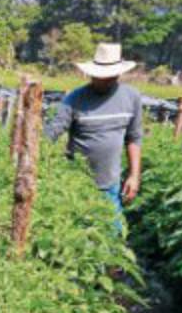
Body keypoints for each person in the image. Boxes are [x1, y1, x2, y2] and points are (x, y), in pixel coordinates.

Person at [45, 43, 143, 229]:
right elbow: (53, 131)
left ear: (117, 74)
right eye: (100, 76)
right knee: (76, 236)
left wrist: (134, 176)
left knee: (112, 237)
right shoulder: (75, 98)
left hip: (110, 185)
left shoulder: (131, 97)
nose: (104, 80)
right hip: (76, 186)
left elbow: (134, 138)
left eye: (109, 77)